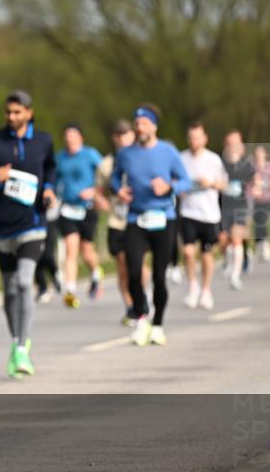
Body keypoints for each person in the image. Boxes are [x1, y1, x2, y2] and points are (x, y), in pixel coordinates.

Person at [0, 91, 56, 378]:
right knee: (8, 291)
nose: (12, 117)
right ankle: (17, 340)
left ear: (29, 113)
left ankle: (22, 346)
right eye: (8, 112)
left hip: (33, 225)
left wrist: (50, 188)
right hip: (1, 228)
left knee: (23, 282)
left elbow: (51, 168)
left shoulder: (43, 141)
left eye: (17, 112)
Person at [111, 104, 191, 346]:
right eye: (136, 124)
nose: (139, 127)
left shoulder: (168, 151)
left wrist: (169, 187)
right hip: (136, 218)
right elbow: (115, 177)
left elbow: (186, 180)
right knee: (133, 272)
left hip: (164, 218)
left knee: (158, 276)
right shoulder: (126, 154)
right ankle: (142, 318)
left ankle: (158, 325)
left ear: (154, 126)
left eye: (143, 123)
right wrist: (119, 190)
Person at [54, 123, 104, 308]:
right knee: (70, 249)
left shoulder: (90, 154)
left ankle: (95, 272)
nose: (69, 140)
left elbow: (105, 175)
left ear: (80, 138)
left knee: (87, 251)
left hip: (87, 209)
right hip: (68, 208)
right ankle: (71, 290)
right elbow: (54, 180)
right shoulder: (60, 158)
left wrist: (94, 191)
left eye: (73, 136)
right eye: (67, 137)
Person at [95, 119, 140, 325]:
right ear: (115, 138)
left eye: (127, 135)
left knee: (139, 265)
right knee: (122, 264)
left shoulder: (142, 158)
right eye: (119, 136)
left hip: (139, 219)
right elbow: (98, 191)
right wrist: (101, 200)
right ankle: (130, 306)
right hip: (117, 220)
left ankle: (143, 297)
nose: (123, 139)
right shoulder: (106, 164)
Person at [178, 122, 226, 310]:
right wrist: (182, 188)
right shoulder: (181, 158)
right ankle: (192, 286)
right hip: (188, 212)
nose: (193, 141)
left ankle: (206, 289)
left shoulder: (213, 159)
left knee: (206, 253)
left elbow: (224, 184)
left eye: (197, 137)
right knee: (188, 252)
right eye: (190, 137)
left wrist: (211, 183)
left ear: (205, 138)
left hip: (209, 214)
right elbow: (174, 181)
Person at [219, 130, 255, 290]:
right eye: (230, 142)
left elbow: (254, 181)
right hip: (222, 207)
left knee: (236, 238)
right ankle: (229, 260)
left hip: (240, 207)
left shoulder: (246, 164)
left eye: (236, 142)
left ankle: (235, 275)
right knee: (223, 241)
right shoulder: (220, 163)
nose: (233, 146)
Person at [251, 144, 270, 263]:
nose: (259, 156)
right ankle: (259, 246)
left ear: (265, 154)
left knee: (263, 221)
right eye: (257, 154)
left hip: (267, 199)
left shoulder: (269, 166)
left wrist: (267, 185)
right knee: (257, 223)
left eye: (261, 153)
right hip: (254, 200)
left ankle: (265, 246)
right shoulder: (252, 166)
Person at [34, 200, 61, 303]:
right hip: (34, 222)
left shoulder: (52, 184)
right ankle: (42, 288)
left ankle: (54, 274)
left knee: (48, 254)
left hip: (51, 221)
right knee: (36, 255)